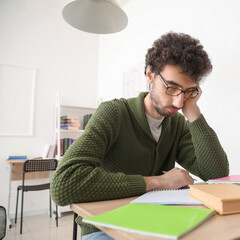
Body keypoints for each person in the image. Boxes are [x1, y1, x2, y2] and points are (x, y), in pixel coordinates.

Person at [51, 32, 229, 240]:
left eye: (189, 91)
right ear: (150, 75)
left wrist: (193, 112)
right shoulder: (114, 113)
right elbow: (63, 184)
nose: (179, 102)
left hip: (159, 223)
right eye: (171, 88)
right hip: (106, 229)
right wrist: (158, 182)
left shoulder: (178, 124)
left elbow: (217, 175)